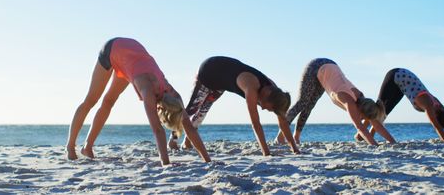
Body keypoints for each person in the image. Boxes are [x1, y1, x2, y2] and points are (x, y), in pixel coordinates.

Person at [65, 37, 211, 166]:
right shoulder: (151, 91)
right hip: (112, 49)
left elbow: (187, 126)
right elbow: (157, 130)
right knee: (91, 100)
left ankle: (87, 147)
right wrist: (165, 163)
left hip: (128, 57)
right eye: (172, 92)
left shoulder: (170, 95)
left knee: (109, 101)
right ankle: (70, 147)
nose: (173, 91)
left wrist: (207, 160)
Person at [168, 56, 300, 155]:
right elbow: (256, 123)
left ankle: (188, 142)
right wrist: (266, 152)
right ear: (266, 97)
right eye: (267, 107)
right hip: (209, 71)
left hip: (221, 82)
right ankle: (173, 140)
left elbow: (283, 122)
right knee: (190, 110)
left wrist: (294, 149)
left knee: (202, 113)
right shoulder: (252, 88)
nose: (264, 108)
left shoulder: (275, 94)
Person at [274, 58, 396, 146]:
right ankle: (280, 137)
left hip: (329, 70)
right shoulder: (349, 101)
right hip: (316, 66)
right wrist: (374, 145)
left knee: (309, 106)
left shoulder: (365, 102)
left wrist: (393, 142)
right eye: (364, 118)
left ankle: (296, 138)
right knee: (302, 102)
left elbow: (375, 123)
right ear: (360, 111)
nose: (364, 121)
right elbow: (360, 127)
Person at [357, 68, 444, 142]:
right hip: (396, 75)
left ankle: (367, 135)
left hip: (403, 83)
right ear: (437, 115)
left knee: (383, 111)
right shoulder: (428, 104)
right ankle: (362, 135)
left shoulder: (439, 106)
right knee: (378, 107)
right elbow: (436, 126)